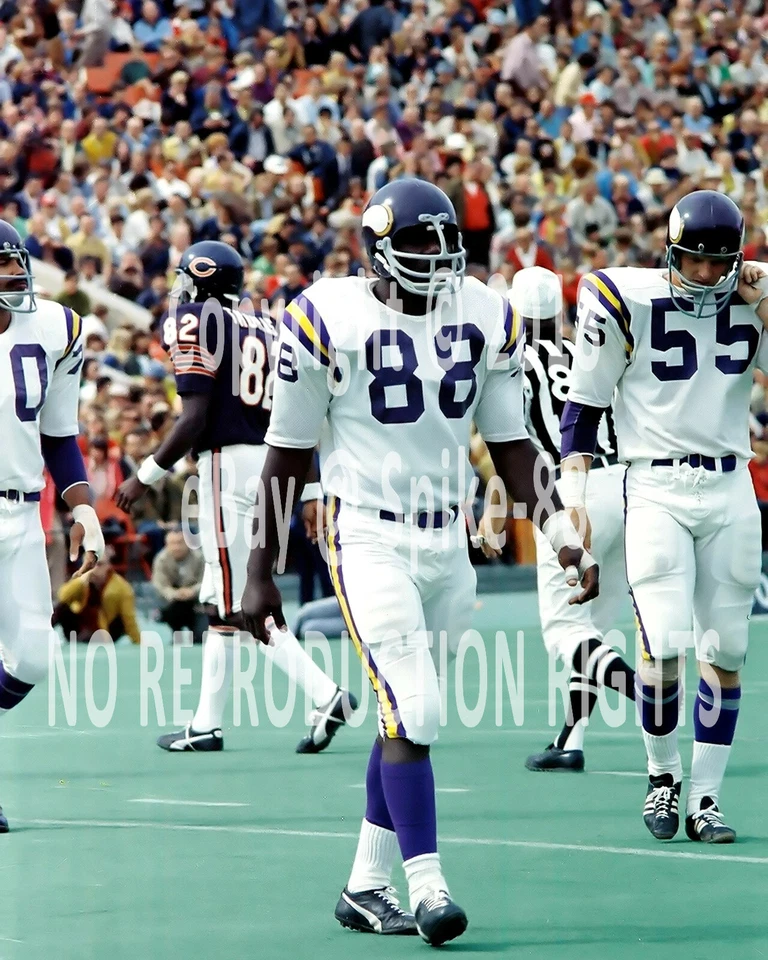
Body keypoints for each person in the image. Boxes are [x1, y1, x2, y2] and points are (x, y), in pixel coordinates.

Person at [240, 180, 598, 946]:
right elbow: (286, 455)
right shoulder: (325, 317)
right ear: (376, 251)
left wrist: (562, 533)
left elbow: (510, 446)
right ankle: (427, 888)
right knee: (419, 708)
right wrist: (257, 566)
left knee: (402, 711)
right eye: (418, 249)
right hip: (364, 529)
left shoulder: (483, 312)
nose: (437, 265)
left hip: (449, 537)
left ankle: (363, 887)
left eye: (446, 248)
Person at [563, 191, 768, 844]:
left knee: (729, 647)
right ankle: (662, 775)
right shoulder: (626, 300)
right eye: (693, 261)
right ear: (669, 255)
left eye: (719, 263)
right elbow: (584, 404)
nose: (706, 275)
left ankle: (706, 799)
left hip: (731, 483)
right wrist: (574, 497)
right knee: (666, 642)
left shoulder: (754, 301)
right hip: (654, 485)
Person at [116, 240, 357, 755]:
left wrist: (146, 474)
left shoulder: (193, 319)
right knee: (221, 604)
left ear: (199, 279)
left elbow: (194, 417)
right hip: (276, 463)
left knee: (242, 601)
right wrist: (310, 486)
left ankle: (326, 693)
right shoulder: (268, 325)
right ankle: (206, 723)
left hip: (228, 465)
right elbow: (299, 416)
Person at [476, 266, 635, 772]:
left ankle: (648, 697)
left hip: (568, 492)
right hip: (625, 487)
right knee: (592, 629)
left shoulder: (514, 363)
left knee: (566, 632)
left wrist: (493, 515)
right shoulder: (586, 351)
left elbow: (513, 447)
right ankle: (571, 738)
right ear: (561, 313)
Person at [0, 219, 105, 830]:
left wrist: (84, 509)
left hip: (20, 513)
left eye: (18, 264)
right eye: (3, 267)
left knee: (34, 658)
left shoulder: (56, 328)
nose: (17, 277)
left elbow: (58, 435)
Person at [54, 550, 141, 644]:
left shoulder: (122, 588)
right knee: (61, 608)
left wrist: (138, 642)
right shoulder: (81, 582)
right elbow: (62, 596)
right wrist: (81, 581)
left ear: (108, 566)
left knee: (121, 619)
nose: (94, 569)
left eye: (99, 564)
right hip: (81, 628)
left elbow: (129, 619)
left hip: (106, 631)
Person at [151, 526, 207, 644]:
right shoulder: (161, 560)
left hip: (196, 604)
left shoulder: (199, 558)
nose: (176, 547)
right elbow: (159, 585)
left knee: (200, 638)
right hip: (172, 603)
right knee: (171, 610)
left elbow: (206, 581)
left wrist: (192, 591)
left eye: (180, 543)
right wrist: (175, 594)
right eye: (173, 543)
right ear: (167, 544)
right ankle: (175, 631)